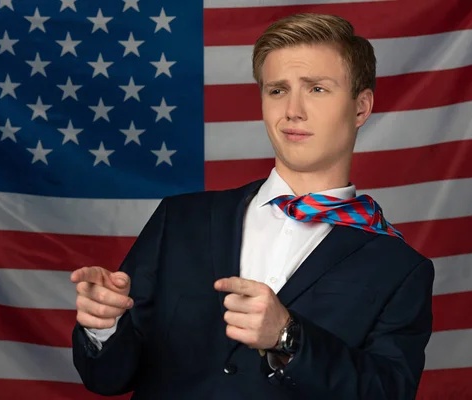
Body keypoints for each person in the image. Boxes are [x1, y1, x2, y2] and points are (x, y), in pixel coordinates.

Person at [70, 13, 435, 399]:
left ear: (361, 107)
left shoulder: (400, 269)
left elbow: (388, 392)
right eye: (277, 90)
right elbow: (107, 378)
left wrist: (287, 336)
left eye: (317, 89)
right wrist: (104, 325)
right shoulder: (180, 220)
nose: (292, 110)